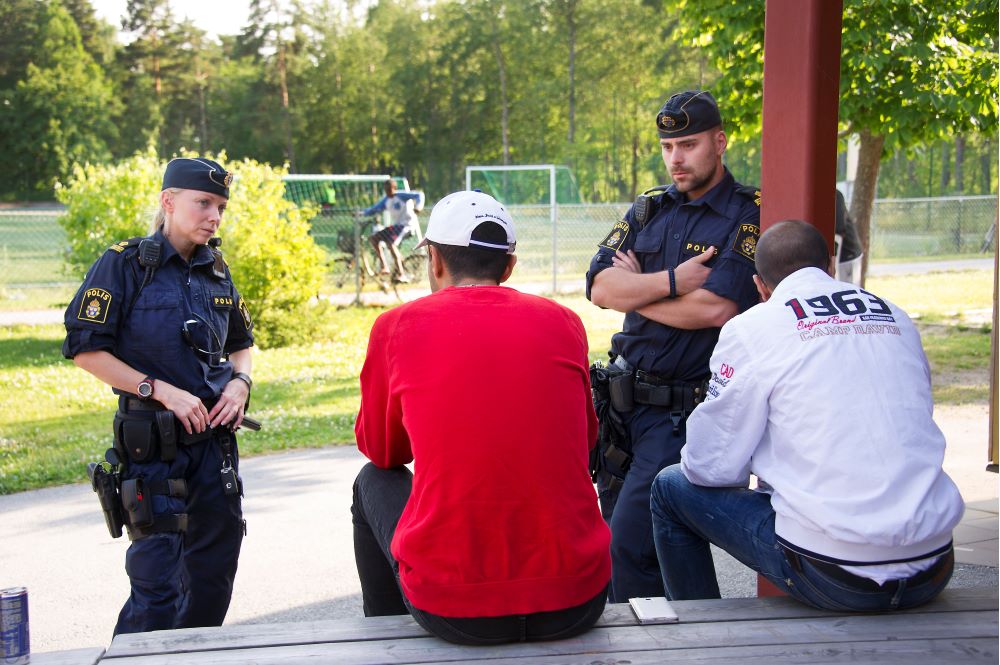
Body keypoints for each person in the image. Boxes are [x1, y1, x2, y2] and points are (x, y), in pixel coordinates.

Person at [650, 220, 963, 611]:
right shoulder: (895, 315)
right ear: (829, 267)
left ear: (760, 286)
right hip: (933, 565)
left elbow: (711, 468)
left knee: (670, 487)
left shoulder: (753, 328)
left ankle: (702, 633)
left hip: (835, 576)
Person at [351, 190, 611, 644]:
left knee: (372, 479)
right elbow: (585, 440)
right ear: (509, 267)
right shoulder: (565, 321)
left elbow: (384, 450)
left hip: (453, 609)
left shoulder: (396, 326)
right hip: (578, 600)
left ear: (434, 260)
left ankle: (386, 638)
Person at [63, 157, 255, 635]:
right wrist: (160, 390)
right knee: (158, 591)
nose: (214, 215)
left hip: (214, 449)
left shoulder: (216, 268)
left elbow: (241, 344)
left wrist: (240, 382)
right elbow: (84, 350)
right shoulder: (125, 264)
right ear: (168, 202)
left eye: (221, 207)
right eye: (204, 203)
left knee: (213, 580)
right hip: (154, 451)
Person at [585, 89, 761, 602]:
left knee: (631, 548)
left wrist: (638, 291)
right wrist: (673, 281)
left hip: (681, 411)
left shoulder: (746, 213)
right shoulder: (648, 208)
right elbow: (598, 286)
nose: (676, 158)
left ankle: (647, 650)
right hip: (621, 411)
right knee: (635, 542)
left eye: (688, 144)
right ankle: (687, 643)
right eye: (667, 146)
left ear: (720, 141)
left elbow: (715, 308)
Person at [355, 178, 425, 282]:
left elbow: (419, 194)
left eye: (389, 189)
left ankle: (402, 274)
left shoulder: (401, 196)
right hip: (396, 227)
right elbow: (374, 209)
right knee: (374, 239)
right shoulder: (386, 200)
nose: (387, 192)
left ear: (394, 188)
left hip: (407, 225)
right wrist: (361, 213)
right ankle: (385, 266)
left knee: (391, 244)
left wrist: (418, 206)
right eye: (386, 190)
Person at [834, 188, 864, 285]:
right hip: (832, 256)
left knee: (846, 292)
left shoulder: (835, 195)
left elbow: (837, 235)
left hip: (847, 257)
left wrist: (833, 271)